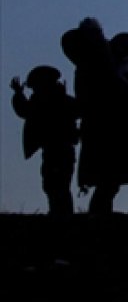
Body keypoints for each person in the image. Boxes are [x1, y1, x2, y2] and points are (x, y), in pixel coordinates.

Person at [63, 18, 128, 215]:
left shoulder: (97, 61)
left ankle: (101, 211)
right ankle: (100, 213)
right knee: (109, 176)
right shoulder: (98, 61)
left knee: (109, 177)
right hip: (110, 124)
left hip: (106, 124)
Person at [10, 66, 81, 215]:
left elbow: (24, 110)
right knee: (57, 184)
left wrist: (18, 94)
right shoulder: (64, 100)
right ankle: (61, 214)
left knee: (55, 184)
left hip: (57, 150)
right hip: (61, 150)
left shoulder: (45, 102)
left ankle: (60, 215)